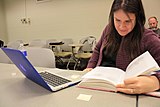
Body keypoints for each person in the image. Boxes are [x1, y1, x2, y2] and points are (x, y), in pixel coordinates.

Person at [84, 0, 160, 95]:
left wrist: (156, 82)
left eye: (128, 21)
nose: (121, 27)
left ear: (137, 18)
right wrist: (90, 68)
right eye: (117, 20)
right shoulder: (109, 29)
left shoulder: (147, 37)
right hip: (98, 86)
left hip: (125, 93)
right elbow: (97, 50)